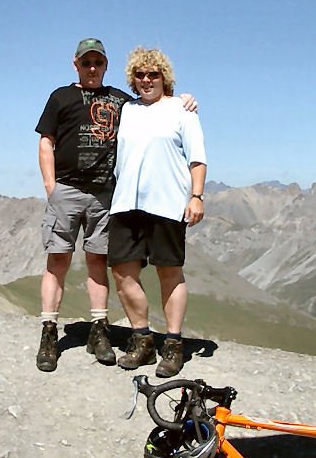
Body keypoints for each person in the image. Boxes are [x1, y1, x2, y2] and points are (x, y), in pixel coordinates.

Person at [34, 38, 196, 373]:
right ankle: (49, 332)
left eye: (98, 63)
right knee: (58, 260)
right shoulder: (60, 96)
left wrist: (183, 99)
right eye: (86, 63)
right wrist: (51, 186)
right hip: (67, 190)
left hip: (106, 195)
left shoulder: (123, 102)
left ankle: (99, 330)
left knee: (98, 261)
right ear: (76, 64)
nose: (92, 68)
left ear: (106, 66)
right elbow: (46, 140)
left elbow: (157, 107)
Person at [108, 47, 207, 378]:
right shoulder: (126, 110)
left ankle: (174, 344)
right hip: (126, 203)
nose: (147, 79)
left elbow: (197, 158)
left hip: (167, 202)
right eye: (140, 74)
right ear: (132, 80)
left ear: (165, 77)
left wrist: (196, 196)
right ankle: (142, 338)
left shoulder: (182, 111)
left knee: (169, 271)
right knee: (122, 271)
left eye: (154, 74)